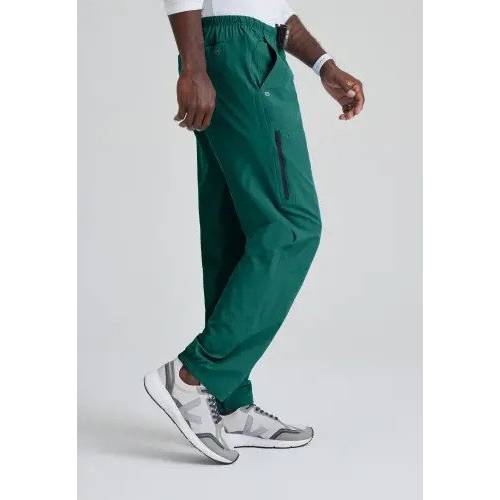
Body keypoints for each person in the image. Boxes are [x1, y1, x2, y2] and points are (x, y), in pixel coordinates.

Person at [144, 0, 365, 464]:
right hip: (239, 50)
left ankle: (227, 404)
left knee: (236, 233)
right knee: (292, 226)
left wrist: (324, 65)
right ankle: (193, 376)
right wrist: (194, 67)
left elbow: (275, 8)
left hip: (246, 46)